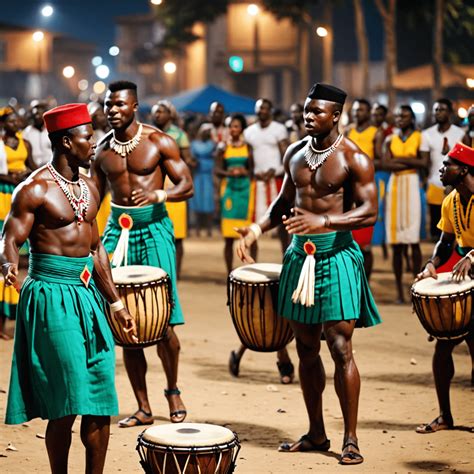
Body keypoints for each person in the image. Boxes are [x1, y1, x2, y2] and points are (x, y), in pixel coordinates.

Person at [237, 83, 381, 465]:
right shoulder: (295, 153)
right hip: (299, 257)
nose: (308, 117)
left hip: (337, 256)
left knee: (340, 347)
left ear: (336, 116)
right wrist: (255, 229)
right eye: (306, 110)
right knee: (305, 348)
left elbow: (369, 212)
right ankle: (316, 432)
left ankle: (350, 438)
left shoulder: (355, 158)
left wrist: (325, 219)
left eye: (316, 112)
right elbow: (284, 202)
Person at [1, 103, 136, 473]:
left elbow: (96, 248)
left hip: (87, 297)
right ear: (65, 141)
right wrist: (11, 270)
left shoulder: (90, 187)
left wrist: (116, 303)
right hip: (51, 297)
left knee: (100, 398)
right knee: (69, 400)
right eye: (86, 137)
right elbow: (9, 239)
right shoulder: (34, 188)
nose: (92, 143)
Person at [93, 81, 193, 428]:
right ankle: (142, 406)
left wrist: (159, 197)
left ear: (135, 106)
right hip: (116, 232)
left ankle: (173, 390)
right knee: (126, 319)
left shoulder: (158, 141)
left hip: (154, 229)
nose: (113, 110)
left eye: (120, 104)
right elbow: (93, 198)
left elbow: (187, 184)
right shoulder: (101, 150)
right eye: (108, 105)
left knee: (161, 319)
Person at [415, 142, 474, 433]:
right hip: (466, 274)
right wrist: (432, 264)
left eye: (446, 165)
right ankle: (445, 416)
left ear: (463, 170)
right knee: (443, 348)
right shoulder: (450, 200)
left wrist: (472, 256)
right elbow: (446, 242)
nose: (440, 169)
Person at [382, 105, 428, 303]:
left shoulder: (420, 136)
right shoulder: (389, 138)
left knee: (413, 238)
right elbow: (384, 164)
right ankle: (400, 291)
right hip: (395, 186)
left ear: (411, 118)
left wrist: (398, 159)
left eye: (405, 115)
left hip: (411, 185)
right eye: (398, 115)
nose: (401, 118)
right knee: (396, 243)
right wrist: (410, 160)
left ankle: (416, 287)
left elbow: (424, 163)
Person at [152, 99, 193, 279]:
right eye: (155, 112)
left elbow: (187, 160)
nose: (157, 115)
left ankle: (177, 271)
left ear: (171, 114)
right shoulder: (149, 133)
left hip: (173, 185)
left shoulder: (179, 135)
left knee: (178, 233)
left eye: (161, 111)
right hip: (155, 186)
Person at [244, 98, 290, 255]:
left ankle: (286, 258)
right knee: (254, 221)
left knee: (282, 220)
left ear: (270, 110)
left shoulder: (279, 129)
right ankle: (252, 260)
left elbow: (287, 155)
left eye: (264, 108)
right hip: (257, 182)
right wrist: (252, 173)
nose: (260, 111)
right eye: (258, 108)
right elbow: (249, 159)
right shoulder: (249, 132)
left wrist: (276, 170)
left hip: (276, 179)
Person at [0, 107, 32, 332]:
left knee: (24, 250)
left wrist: (25, 174)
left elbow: (29, 164)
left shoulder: (24, 142)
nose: (15, 123)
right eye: (10, 120)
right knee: (6, 239)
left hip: (19, 189)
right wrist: (9, 177)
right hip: (3, 191)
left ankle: (19, 303)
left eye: (16, 119)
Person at [346, 99, 384, 280]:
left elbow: (380, 160)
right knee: (349, 239)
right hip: (348, 186)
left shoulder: (376, 132)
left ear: (368, 112)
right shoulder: (348, 131)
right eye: (354, 110)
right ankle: (352, 280)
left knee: (365, 243)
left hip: (367, 185)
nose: (356, 113)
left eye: (360, 110)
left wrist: (360, 163)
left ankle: (365, 283)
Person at [420, 99, 465, 240]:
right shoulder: (427, 134)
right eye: (436, 110)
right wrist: (425, 179)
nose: (438, 113)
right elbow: (425, 162)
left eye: (442, 109)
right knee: (435, 228)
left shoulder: (460, 134)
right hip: (434, 183)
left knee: (455, 226)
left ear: (450, 112)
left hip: (455, 187)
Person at [216, 114, 255, 274]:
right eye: (231, 126)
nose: (233, 129)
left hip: (245, 189)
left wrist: (244, 171)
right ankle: (229, 271)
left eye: (236, 126)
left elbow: (253, 169)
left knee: (248, 232)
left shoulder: (248, 147)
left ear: (242, 129)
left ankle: (251, 268)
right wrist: (229, 172)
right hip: (229, 189)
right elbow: (217, 169)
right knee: (228, 235)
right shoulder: (223, 147)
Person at [189, 123, 216, 237]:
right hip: (198, 174)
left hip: (208, 175)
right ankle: (198, 228)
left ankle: (209, 228)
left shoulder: (212, 144)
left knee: (209, 201)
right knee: (197, 201)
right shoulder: (194, 144)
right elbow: (192, 158)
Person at [22, 100, 52, 170]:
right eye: (35, 114)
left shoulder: (51, 130)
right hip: (33, 169)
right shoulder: (26, 132)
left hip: (51, 169)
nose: (37, 117)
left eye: (40, 114)